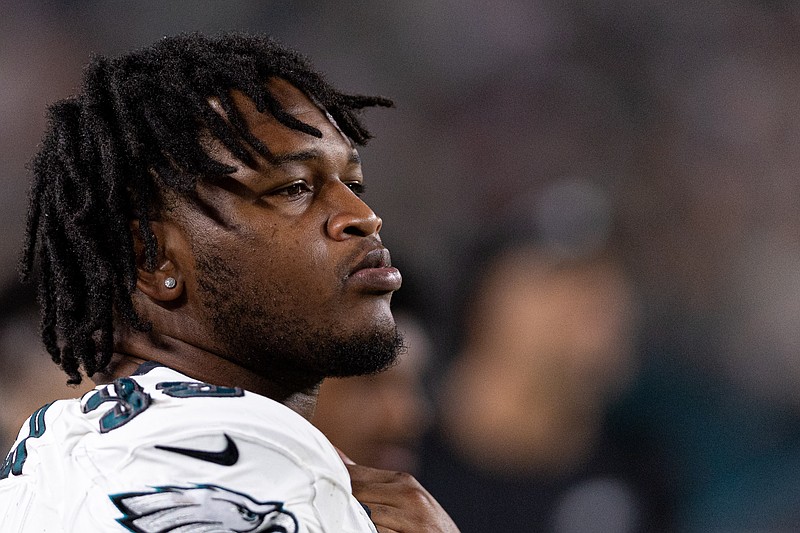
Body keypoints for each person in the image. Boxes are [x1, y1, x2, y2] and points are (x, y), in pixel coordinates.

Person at [0, 32, 459, 533]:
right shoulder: (214, 485)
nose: (363, 217)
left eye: (353, 185)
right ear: (152, 259)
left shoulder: (80, 449)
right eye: (294, 189)